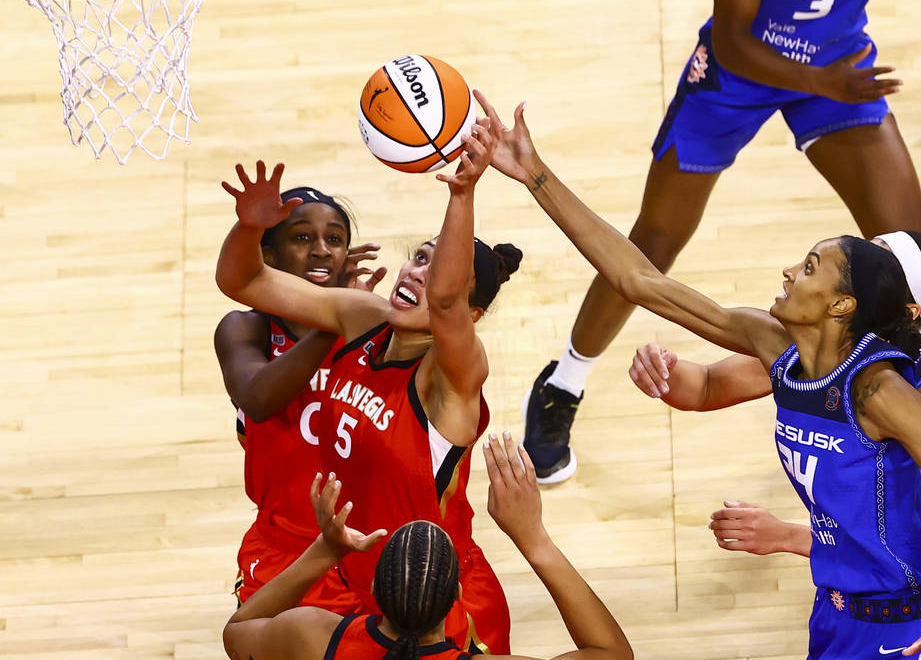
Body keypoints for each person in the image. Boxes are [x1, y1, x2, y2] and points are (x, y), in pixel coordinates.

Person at [520, 0, 921, 485]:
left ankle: (905, 412)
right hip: (738, 76)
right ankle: (564, 382)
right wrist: (821, 80)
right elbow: (731, 39)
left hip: (836, 76)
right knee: (655, 241)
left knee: (908, 257)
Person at [477, 92, 921, 660]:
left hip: (920, 617)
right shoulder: (774, 342)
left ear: (842, 306)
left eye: (809, 268)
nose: (788, 270)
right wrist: (533, 174)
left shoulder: (883, 393)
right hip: (839, 608)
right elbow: (638, 280)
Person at [626, 230, 921, 659]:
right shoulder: (822, 352)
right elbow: (703, 387)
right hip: (854, 596)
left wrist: (789, 536)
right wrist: (663, 371)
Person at [216, 141, 521, 653]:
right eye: (418, 258)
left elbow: (445, 302)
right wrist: (250, 227)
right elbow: (241, 280)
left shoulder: (451, 377)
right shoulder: (363, 318)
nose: (418, 274)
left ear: (471, 316)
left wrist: (462, 194)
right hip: (354, 573)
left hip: (437, 595)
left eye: (438, 268)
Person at [221, 433, 633, 660]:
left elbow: (237, 632)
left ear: (372, 595)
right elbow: (612, 654)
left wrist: (325, 553)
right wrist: (533, 539)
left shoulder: (312, 637)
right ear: (457, 596)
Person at [216, 186, 387, 607]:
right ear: (268, 257)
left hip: (368, 543)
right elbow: (258, 399)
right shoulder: (244, 329)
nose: (321, 250)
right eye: (301, 238)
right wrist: (333, 321)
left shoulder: (377, 331)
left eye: (334, 239)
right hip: (285, 549)